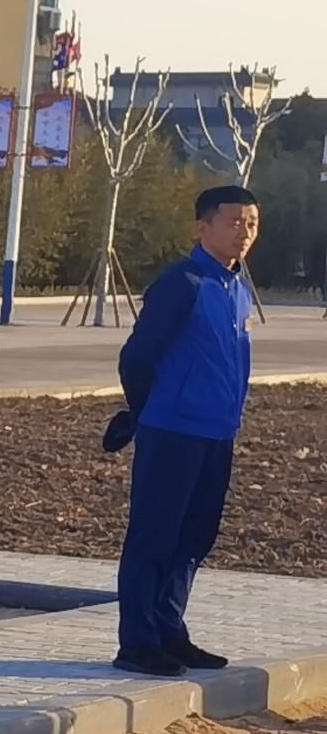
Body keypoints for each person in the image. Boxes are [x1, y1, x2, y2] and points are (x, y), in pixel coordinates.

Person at [107, 182, 263, 677]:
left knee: (194, 537)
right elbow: (137, 357)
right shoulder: (183, 284)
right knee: (155, 535)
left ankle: (170, 630)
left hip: (217, 432)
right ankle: (138, 643)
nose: (244, 232)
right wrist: (145, 413)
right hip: (173, 430)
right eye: (234, 222)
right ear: (202, 227)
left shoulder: (235, 286)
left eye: (252, 223)